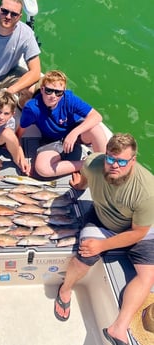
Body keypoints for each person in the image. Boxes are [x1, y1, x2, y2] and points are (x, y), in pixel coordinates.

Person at [54, 133, 154, 345]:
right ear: (105, 156)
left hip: (136, 229)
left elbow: (138, 233)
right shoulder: (93, 163)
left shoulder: (147, 191)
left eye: (122, 161)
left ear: (133, 161)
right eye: (110, 158)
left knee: (148, 276)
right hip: (102, 221)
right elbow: (85, 174)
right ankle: (64, 290)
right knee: (83, 256)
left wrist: (103, 245)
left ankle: (119, 328)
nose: (114, 165)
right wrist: (79, 185)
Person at [17, 70, 108, 177]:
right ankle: (88, 164)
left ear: (63, 92)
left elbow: (97, 116)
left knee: (96, 130)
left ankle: (104, 165)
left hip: (75, 133)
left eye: (58, 92)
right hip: (52, 140)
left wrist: (73, 133)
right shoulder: (32, 108)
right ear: (42, 89)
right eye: (49, 91)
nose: (53, 96)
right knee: (42, 168)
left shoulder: (69, 99)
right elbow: (18, 134)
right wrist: (21, 159)